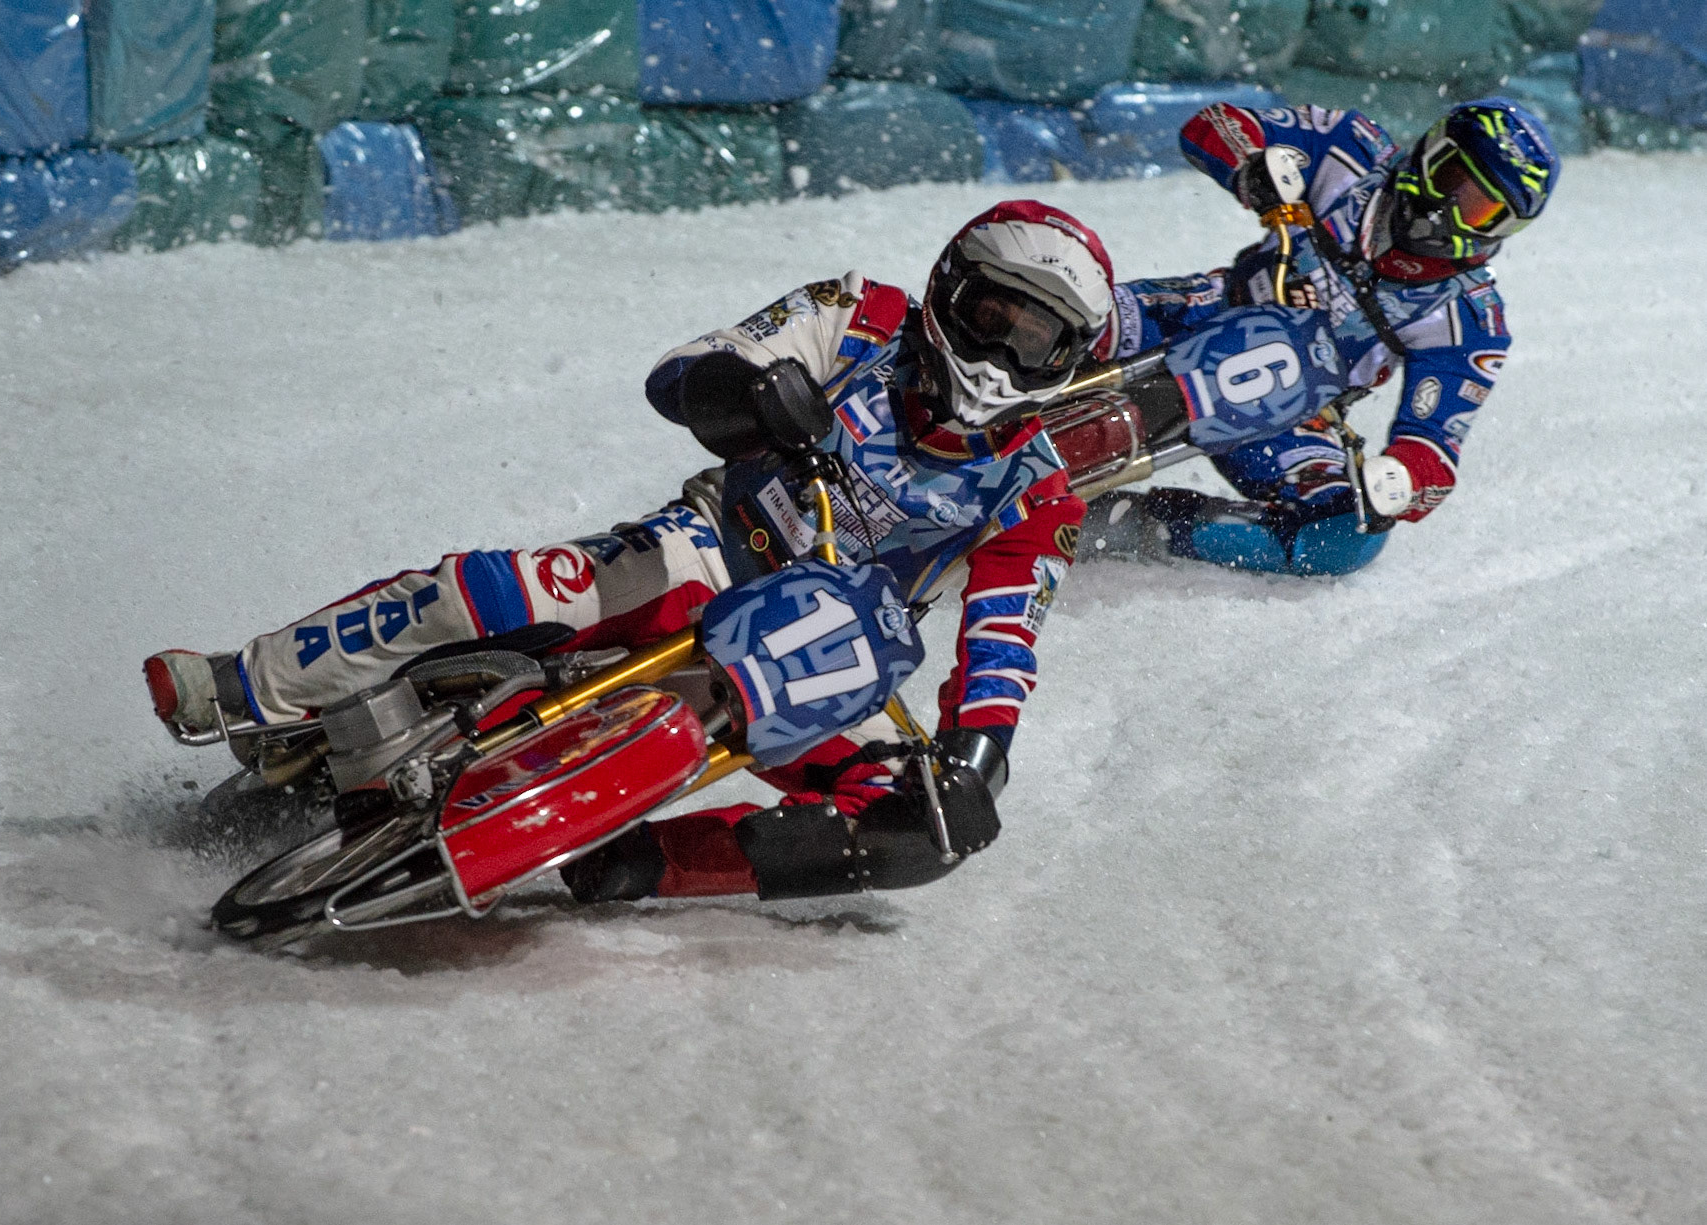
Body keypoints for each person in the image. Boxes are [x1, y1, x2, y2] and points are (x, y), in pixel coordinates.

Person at [146, 200, 1114, 904]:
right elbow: (685, 369)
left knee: (925, 833)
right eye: (996, 318)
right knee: (516, 586)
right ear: (951, 289)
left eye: (1040, 343)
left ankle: (634, 864)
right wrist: (753, 396)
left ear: (1070, 363)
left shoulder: (1040, 492)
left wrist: (977, 757)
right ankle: (247, 680)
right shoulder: (860, 314)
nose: (1003, 359)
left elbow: (1004, 645)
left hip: (822, 669)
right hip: (702, 557)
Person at [1083, 97, 1560, 577]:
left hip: (1286, 417)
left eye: (1479, 210)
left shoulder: (1472, 320)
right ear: (1431, 150)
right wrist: (1252, 169)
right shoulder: (1352, 149)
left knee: (1344, 538)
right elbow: (1215, 123)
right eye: (1452, 181)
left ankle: (1139, 525)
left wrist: (1395, 482)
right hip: (1199, 314)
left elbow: (1433, 452)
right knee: (1075, 308)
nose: (1449, 213)